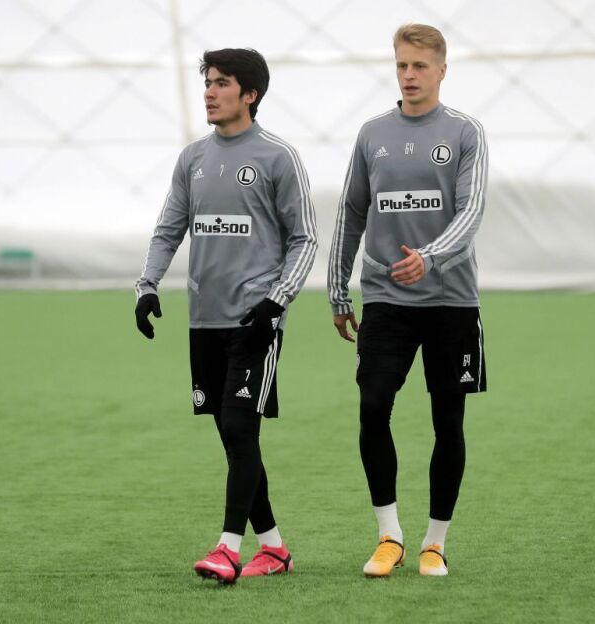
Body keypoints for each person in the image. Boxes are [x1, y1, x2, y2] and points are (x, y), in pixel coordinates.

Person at [134, 48, 317, 585]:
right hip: (204, 321)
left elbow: (305, 239)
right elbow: (169, 228)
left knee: (240, 429)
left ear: (250, 94)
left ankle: (227, 549)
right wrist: (147, 286)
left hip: (255, 322)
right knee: (235, 440)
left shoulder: (278, 157)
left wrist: (276, 302)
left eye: (222, 83)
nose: (210, 92)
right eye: (208, 82)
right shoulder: (192, 159)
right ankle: (275, 548)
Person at [327, 23, 488, 578]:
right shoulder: (372, 134)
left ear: (442, 69)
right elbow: (351, 212)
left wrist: (430, 257)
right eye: (401, 65)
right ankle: (389, 536)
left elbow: (471, 211)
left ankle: (434, 543)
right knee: (373, 406)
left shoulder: (465, 132)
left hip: (451, 300)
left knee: (448, 420)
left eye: (419, 65)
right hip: (386, 299)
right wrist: (337, 289)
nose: (409, 75)